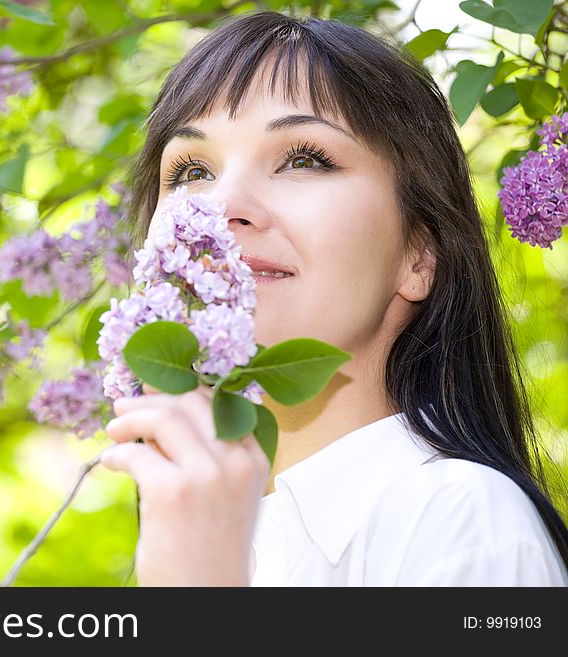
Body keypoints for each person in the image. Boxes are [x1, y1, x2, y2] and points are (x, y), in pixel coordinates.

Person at [99, 10, 568, 586]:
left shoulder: (462, 519)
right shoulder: (216, 540)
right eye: (192, 170)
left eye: (304, 159)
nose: (221, 207)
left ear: (418, 257)